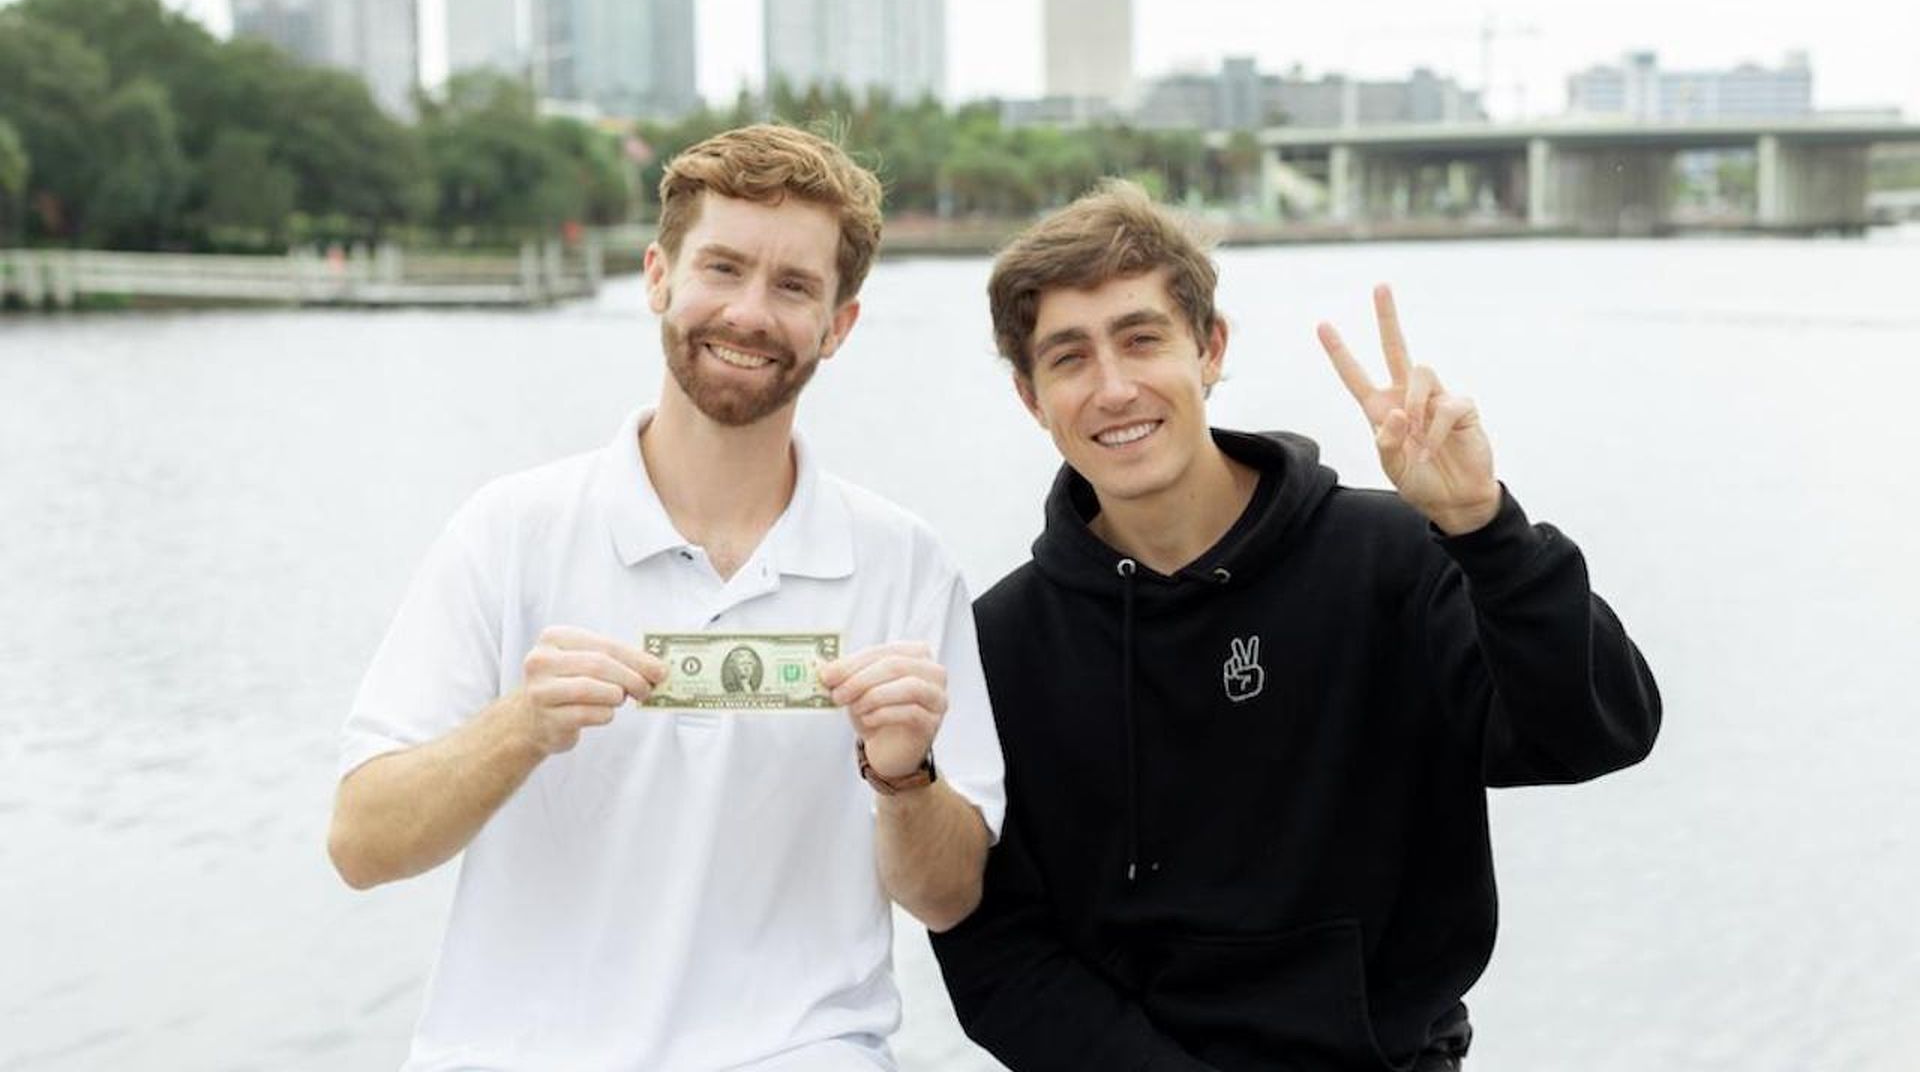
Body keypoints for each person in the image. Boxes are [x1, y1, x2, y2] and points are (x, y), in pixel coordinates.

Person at [929, 180, 1660, 1071]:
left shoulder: (1393, 557)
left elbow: (1593, 734)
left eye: (1141, 338)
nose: (1114, 388)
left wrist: (1485, 528)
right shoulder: (1001, 644)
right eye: (1070, 358)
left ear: (1210, 348)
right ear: (1030, 395)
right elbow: (995, 950)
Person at [327, 124, 1004, 1072]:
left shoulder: (905, 565)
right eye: (721, 268)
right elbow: (362, 845)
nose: (749, 313)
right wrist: (521, 725)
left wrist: (903, 777)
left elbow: (949, 897)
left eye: (794, 286)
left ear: (839, 325)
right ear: (657, 276)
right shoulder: (510, 531)